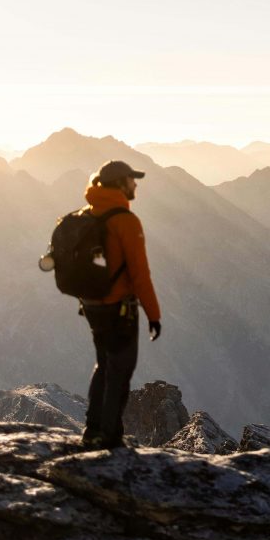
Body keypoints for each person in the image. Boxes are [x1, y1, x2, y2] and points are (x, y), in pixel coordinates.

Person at [80, 160, 162, 449]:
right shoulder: (126, 221)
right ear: (120, 183)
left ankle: (93, 428)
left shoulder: (89, 214)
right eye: (131, 179)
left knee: (104, 363)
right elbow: (140, 275)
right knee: (121, 369)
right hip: (118, 308)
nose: (136, 184)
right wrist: (154, 315)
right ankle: (109, 436)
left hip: (91, 306)